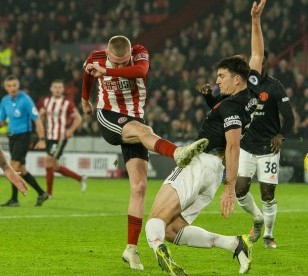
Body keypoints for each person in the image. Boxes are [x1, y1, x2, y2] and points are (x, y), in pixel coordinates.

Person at [144, 1, 266, 274]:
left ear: (236, 80)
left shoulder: (232, 107)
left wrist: (230, 188)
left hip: (200, 164)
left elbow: (234, 145)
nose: (218, 81)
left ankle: (157, 250)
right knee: (176, 229)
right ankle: (235, 245)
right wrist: (255, 20)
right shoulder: (251, 91)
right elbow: (257, 55)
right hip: (212, 172)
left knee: (156, 220)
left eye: (222, 76)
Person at [81, 36, 208, 271]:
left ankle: (131, 249)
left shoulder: (139, 55)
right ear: (106, 52)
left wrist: (107, 70)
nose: (119, 67)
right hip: (108, 115)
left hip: (133, 119)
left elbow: (139, 72)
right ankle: (177, 152)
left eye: (123, 62)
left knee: (139, 187)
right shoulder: (95, 58)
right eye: (114, 63)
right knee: (143, 130)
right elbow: (88, 75)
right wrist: (84, 99)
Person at [235, 49, 294, 249]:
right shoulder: (243, 86)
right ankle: (257, 218)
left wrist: (280, 135)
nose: (259, 67)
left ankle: (268, 236)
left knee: (267, 195)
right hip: (246, 147)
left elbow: (290, 117)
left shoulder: (275, 87)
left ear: (266, 64)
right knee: (240, 190)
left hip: (269, 149)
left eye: (262, 63)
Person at [0, 75, 49, 207]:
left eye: (14, 85)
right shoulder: (4, 101)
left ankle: (14, 199)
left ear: (18, 86)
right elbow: (2, 121)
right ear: (5, 87)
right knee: (21, 169)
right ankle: (41, 193)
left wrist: (42, 139)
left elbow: (37, 120)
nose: (12, 88)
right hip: (11, 136)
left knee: (13, 166)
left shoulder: (26, 100)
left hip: (24, 136)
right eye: (9, 86)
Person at [38, 79, 86, 196]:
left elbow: (78, 118)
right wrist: (40, 126)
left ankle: (48, 193)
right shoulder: (46, 101)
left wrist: (70, 130)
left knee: (48, 161)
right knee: (54, 166)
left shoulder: (67, 104)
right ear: (51, 89)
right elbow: (41, 116)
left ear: (63, 90)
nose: (57, 90)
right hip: (49, 136)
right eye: (55, 87)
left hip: (60, 137)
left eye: (60, 88)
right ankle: (80, 178)